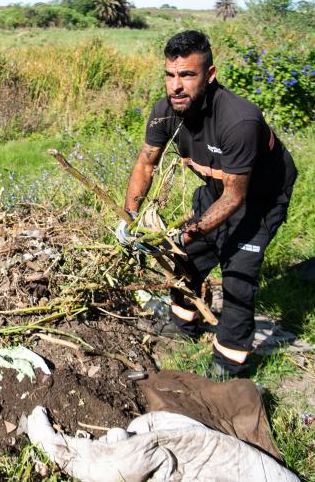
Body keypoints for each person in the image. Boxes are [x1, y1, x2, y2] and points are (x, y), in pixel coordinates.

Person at [116, 31, 297, 378]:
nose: (176, 86)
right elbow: (146, 163)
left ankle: (229, 363)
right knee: (186, 257)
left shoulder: (239, 120)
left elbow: (236, 197)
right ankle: (183, 323)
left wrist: (187, 233)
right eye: (170, 75)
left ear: (210, 75)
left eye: (187, 75)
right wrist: (131, 219)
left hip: (260, 196)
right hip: (217, 188)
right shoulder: (165, 112)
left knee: (238, 272)